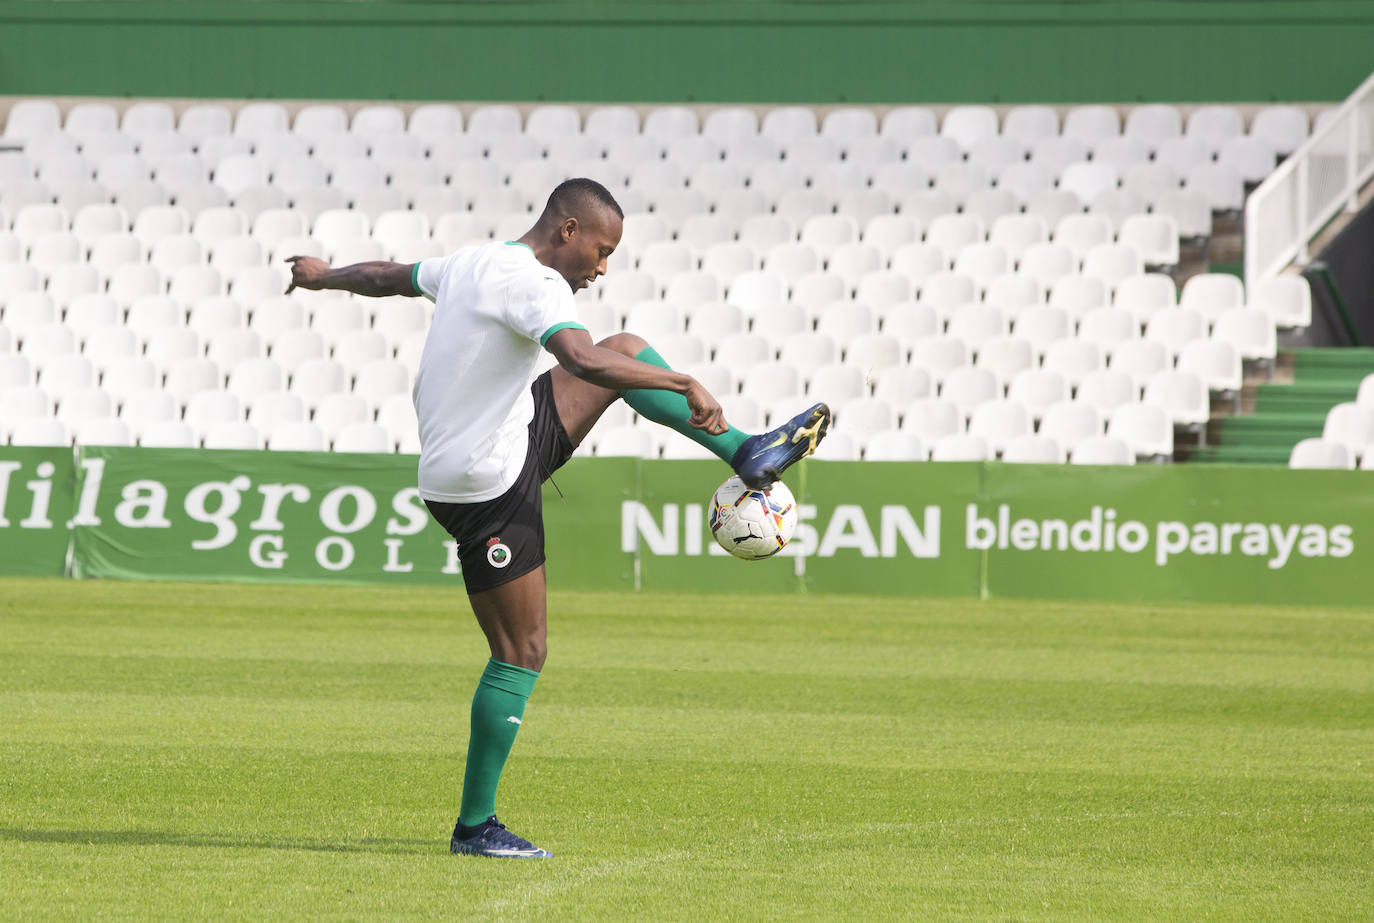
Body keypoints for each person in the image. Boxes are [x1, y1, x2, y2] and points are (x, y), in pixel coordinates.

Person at [285, 178, 829, 859]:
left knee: (625, 345)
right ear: (567, 231)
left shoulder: (473, 261)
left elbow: (387, 275)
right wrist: (683, 381)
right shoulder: (536, 286)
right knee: (522, 650)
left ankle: (746, 450)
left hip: (502, 437)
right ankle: (475, 827)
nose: (603, 267)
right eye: (601, 250)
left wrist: (322, 277)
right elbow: (575, 356)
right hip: (484, 480)